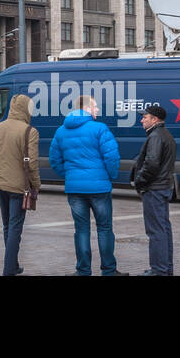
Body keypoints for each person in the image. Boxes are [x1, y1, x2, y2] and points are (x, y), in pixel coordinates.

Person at [49, 94, 124, 276]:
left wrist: (69, 175)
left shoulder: (61, 131)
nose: (97, 109)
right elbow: (112, 157)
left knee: (81, 229)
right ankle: (108, 270)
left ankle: (83, 270)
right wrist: (110, 176)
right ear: (87, 108)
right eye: (95, 106)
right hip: (99, 188)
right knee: (104, 228)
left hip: (75, 189)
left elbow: (54, 160)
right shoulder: (100, 128)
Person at [0, 94, 40, 276]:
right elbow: (32, 164)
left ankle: (13, 265)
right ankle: (8, 270)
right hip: (19, 188)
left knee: (7, 226)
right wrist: (36, 185)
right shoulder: (29, 131)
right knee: (15, 228)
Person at [131, 104, 177, 276]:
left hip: (155, 189)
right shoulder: (165, 135)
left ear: (154, 119)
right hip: (163, 187)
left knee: (156, 231)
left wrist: (140, 181)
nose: (142, 120)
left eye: (145, 117)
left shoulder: (156, 136)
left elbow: (152, 164)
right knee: (163, 229)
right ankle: (165, 268)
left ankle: (159, 270)